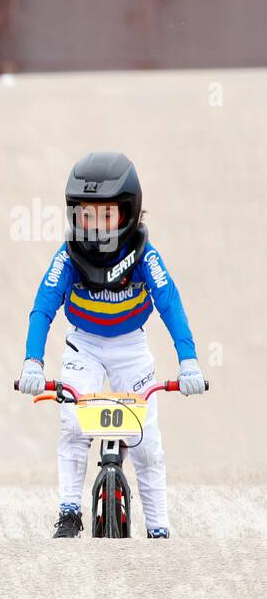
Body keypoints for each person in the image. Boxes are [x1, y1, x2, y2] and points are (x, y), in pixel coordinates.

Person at [17, 151, 206, 538]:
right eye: (87, 215)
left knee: (146, 444)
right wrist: (32, 362)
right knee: (73, 426)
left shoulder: (144, 256)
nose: (97, 226)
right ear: (73, 214)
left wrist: (189, 362)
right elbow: (42, 309)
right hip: (82, 347)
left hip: (131, 349)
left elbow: (170, 304)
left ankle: (158, 529)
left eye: (107, 215)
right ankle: (69, 512)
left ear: (130, 212)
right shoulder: (67, 257)